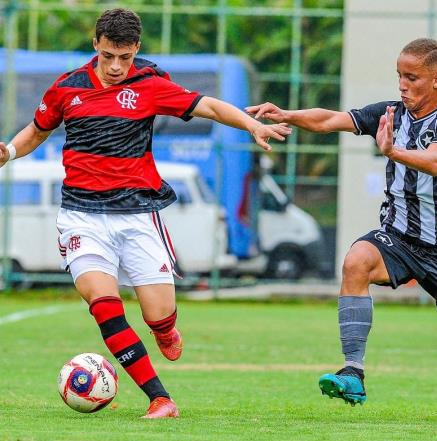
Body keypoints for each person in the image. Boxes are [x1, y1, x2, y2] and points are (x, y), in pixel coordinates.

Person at [0, 8, 291, 419]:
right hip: (81, 214)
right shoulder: (67, 88)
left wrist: (251, 125)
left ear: (135, 48)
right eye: (108, 56)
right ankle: (160, 398)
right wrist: (10, 151)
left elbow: (208, 107)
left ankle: (164, 328)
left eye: (124, 57)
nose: (117, 67)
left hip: (137, 214)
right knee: (103, 303)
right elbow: (38, 129)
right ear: (95, 45)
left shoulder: (149, 85)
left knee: (157, 314)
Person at [246, 38, 437, 406]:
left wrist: (392, 151)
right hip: (397, 237)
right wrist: (288, 114)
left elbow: (435, 161)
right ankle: (352, 372)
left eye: (412, 77)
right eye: (399, 76)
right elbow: (329, 120)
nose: (403, 85)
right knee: (356, 261)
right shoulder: (388, 112)